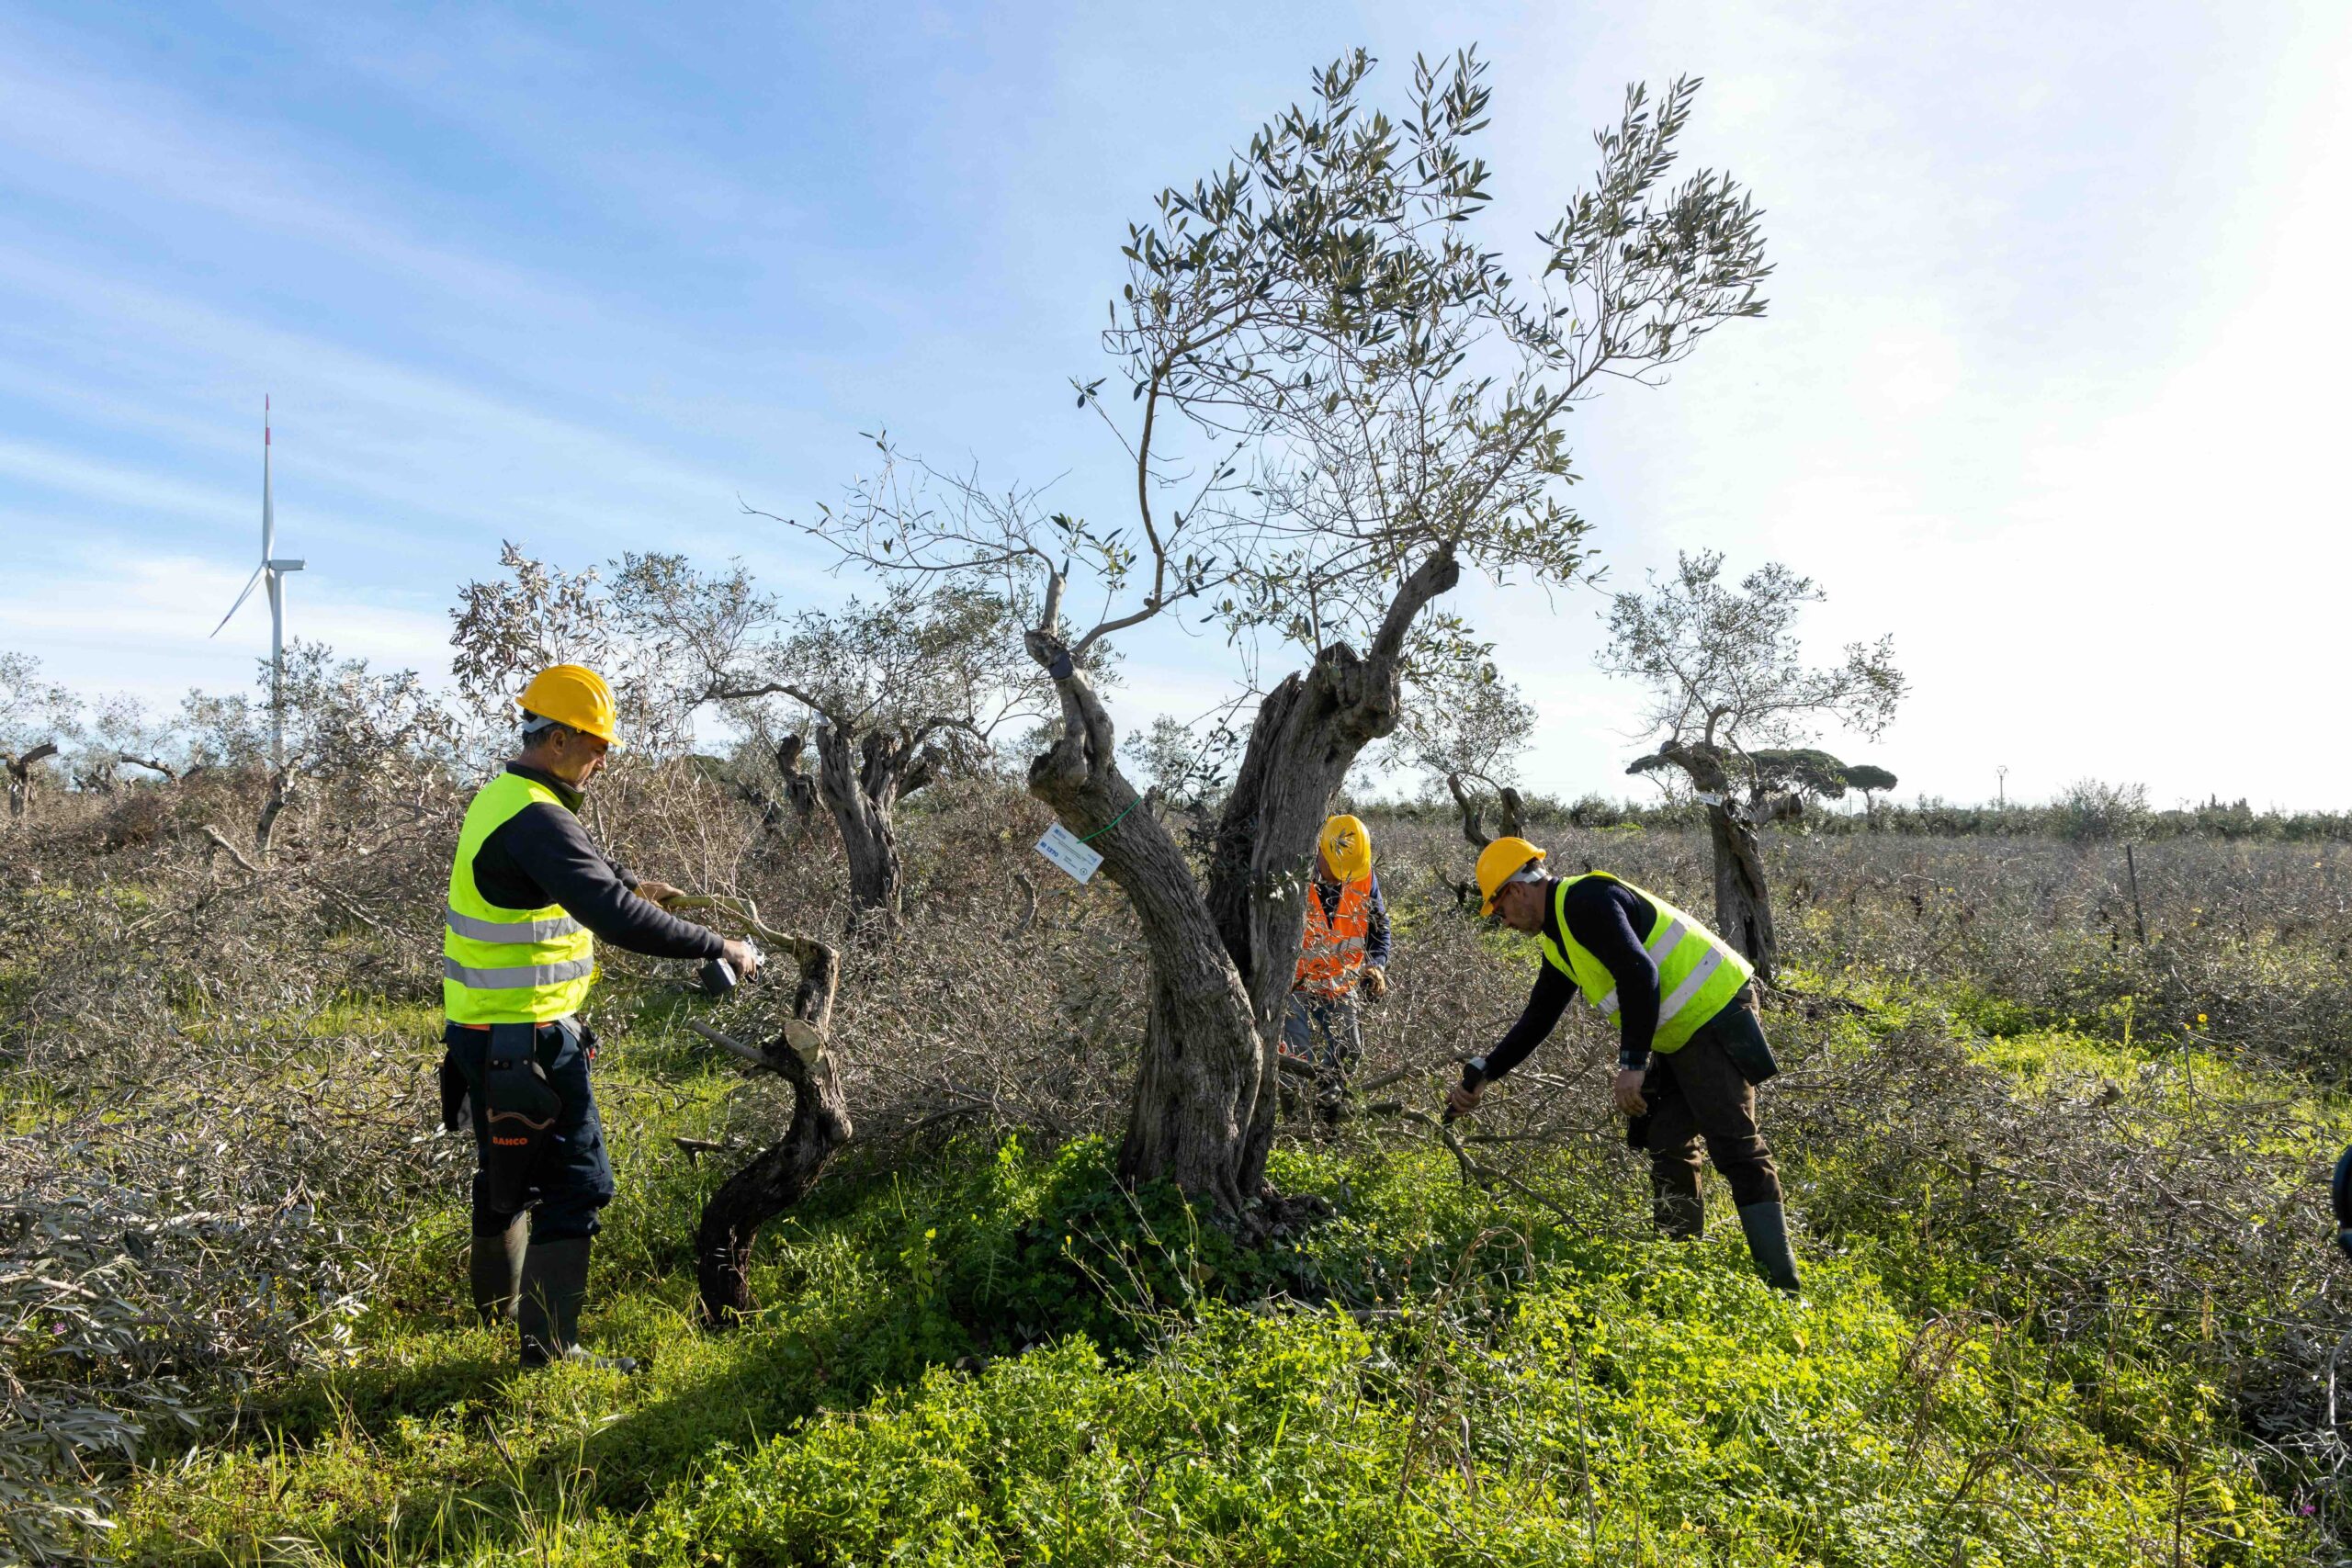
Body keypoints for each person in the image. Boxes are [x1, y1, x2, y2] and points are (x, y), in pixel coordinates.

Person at [437, 664, 760, 1370]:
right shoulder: (537, 815)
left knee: (506, 1176)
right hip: (527, 1038)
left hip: (481, 1034)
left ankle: (491, 1312)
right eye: (593, 742)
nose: (603, 756)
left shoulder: (504, 797)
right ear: (554, 738)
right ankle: (550, 1351)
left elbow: (577, 870)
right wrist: (722, 945)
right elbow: (610, 915)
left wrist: (630, 879)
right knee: (576, 1183)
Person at [1445, 836, 1800, 1292]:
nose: (1504, 922)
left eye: (1499, 910)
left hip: (1712, 1013)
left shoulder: (1585, 900)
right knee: (1665, 1138)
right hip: (1678, 1033)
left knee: (1736, 1148)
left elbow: (1640, 973)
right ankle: (1678, 1273)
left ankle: (1784, 1290)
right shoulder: (1559, 941)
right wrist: (1486, 1073)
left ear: (1514, 891)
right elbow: (1538, 1018)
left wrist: (1632, 1063)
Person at [1282, 815, 1391, 1104]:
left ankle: (1325, 1105)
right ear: (1321, 850)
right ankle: (1294, 1119)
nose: (1344, 878)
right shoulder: (1291, 872)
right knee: (1295, 1057)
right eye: (1337, 869)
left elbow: (1379, 928)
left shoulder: (1363, 874)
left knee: (1351, 1049)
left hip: (1340, 983)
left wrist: (1376, 964)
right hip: (1294, 984)